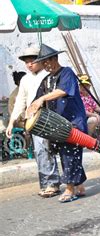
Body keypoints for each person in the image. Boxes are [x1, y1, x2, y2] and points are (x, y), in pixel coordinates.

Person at [27, 44, 87, 203]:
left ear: (55, 59)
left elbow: (63, 91)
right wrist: (30, 111)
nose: (45, 65)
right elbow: (36, 101)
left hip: (74, 122)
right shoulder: (46, 80)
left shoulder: (67, 73)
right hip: (58, 125)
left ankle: (70, 189)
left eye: (47, 61)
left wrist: (42, 99)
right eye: (43, 62)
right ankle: (79, 185)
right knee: (66, 154)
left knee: (70, 153)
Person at [6, 47, 60, 198]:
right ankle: (47, 183)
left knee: (46, 149)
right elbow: (20, 102)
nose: (29, 64)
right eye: (27, 62)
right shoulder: (25, 79)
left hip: (49, 116)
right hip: (33, 119)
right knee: (39, 151)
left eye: (32, 61)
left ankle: (53, 183)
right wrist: (11, 122)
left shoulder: (50, 75)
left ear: (42, 60)